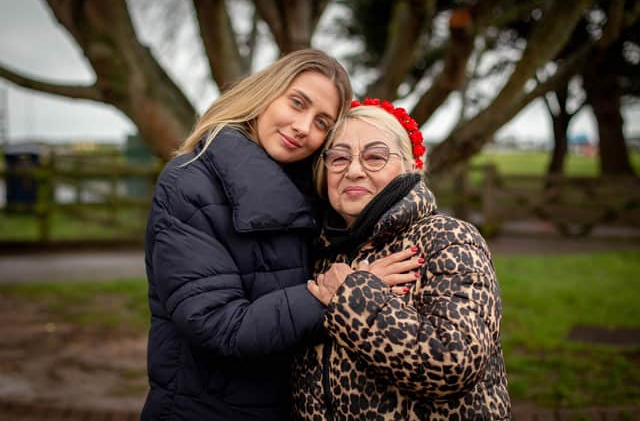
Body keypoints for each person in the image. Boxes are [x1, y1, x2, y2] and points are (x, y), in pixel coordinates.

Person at [141, 49, 356, 421]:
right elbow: (216, 323)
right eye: (297, 103)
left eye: (322, 122)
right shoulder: (189, 182)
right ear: (265, 93)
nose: (303, 127)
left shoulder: (314, 195)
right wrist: (336, 296)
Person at [291, 99, 511, 420]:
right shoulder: (320, 251)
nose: (353, 170)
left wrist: (352, 296)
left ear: (410, 167)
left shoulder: (448, 238)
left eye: (375, 157)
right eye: (338, 158)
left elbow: (453, 364)